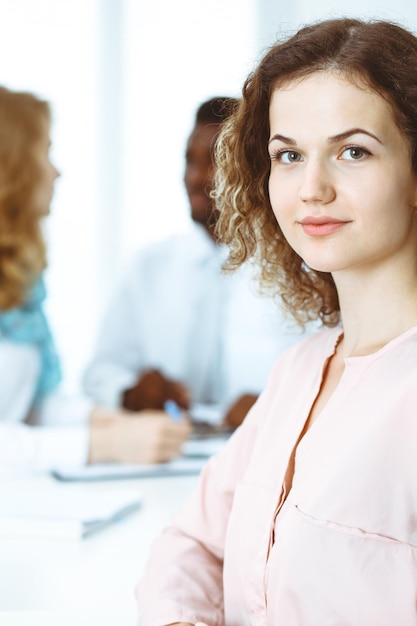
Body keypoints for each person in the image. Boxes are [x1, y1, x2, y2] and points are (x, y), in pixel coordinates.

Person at [137, 17, 417, 625]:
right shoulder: (301, 369)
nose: (311, 187)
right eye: (289, 155)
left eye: (353, 151)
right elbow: (192, 544)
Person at [83, 97, 308, 430]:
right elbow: (100, 373)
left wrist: (277, 405)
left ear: (254, 169)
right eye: (190, 160)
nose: (194, 176)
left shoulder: (300, 268)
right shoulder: (149, 267)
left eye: (214, 160)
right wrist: (129, 392)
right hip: (164, 460)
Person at [0, 85, 190, 473]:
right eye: (45, 151)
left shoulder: (22, 290)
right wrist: (101, 444)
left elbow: (32, 405)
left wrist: (102, 420)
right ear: (11, 165)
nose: (56, 171)